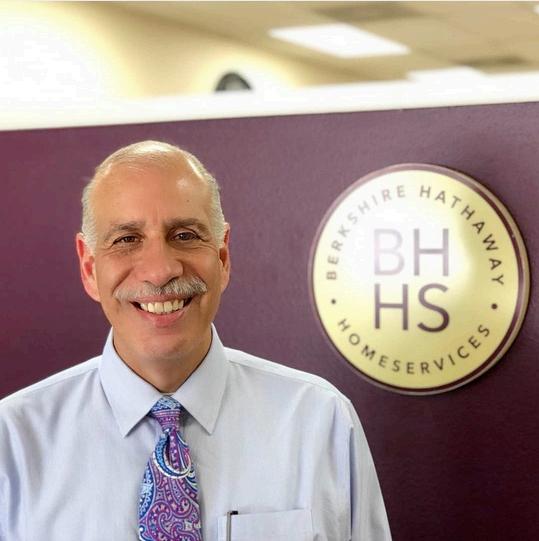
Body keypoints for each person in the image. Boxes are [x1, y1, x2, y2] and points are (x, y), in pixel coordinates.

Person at [0, 141, 391, 540]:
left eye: (185, 235)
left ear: (222, 258)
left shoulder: (319, 421)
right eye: (127, 239)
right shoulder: (11, 442)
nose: (160, 270)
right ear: (88, 267)